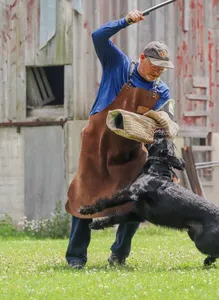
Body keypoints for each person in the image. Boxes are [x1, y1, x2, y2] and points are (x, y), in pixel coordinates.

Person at [64, 9, 176, 269]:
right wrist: (125, 21)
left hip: (130, 154)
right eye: (155, 66)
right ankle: (75, 258)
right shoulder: (119, 65)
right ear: (142, 59)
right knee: (85, 199)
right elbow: (98, 36)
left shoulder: (161, 90)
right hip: (97, 147)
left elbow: (165, 123)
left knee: (135, 202)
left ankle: (119, 255)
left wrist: (165, 124)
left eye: (163, 68)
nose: (158, 72)